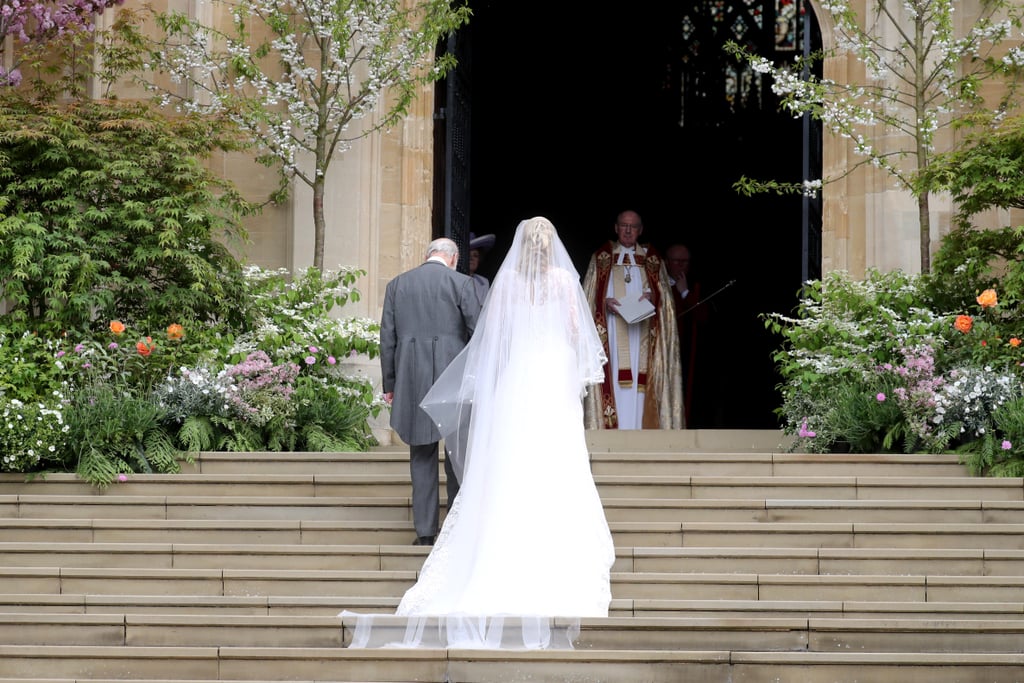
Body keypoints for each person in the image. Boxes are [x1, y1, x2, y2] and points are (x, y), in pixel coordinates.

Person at [346, 217, 615, 650]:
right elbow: (573, 331)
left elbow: (492, 337)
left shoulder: (499, 286)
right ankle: (549, 525)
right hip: (552, 373)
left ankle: (445, 527)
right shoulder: (564, 283)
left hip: (515, 375)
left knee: (504, 452)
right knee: (554, 453)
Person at [379, 237, 481, 546]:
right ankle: (454, 529)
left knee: (421, 455)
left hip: (413, 379)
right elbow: (479, 333)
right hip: (455, 379)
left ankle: (425, 532)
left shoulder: (397, 285)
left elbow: (387, 339)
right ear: (452, 259)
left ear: (428, 256)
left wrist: (390, 384)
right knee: (456, 454)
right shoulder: (463, 284)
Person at [582, 210, 683, 429]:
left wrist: (653, 297)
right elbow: (588, 298)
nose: (628, 231)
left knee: (641, 380)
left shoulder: (653, 259)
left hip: (643, 333)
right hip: (610, 330)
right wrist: (603, 302)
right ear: (616, 228)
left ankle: (641, 430)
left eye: (633, 226)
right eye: (624, 226)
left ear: (641, 230)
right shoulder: (601, 257)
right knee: (614, 376)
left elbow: (666, 301)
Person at [666, 243, 710, 428]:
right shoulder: (656, 284)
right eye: (677, 261)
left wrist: (685, 292)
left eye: (685, 262)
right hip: (662, 352)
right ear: (667, 263)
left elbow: (703, 318)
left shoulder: (695, 287)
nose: (682, 266)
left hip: (686, 353)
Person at [467, 231, 495, 306]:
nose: (471, 258)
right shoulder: (455, 277)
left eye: (475, 255)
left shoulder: (483, 282)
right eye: (468, 255)